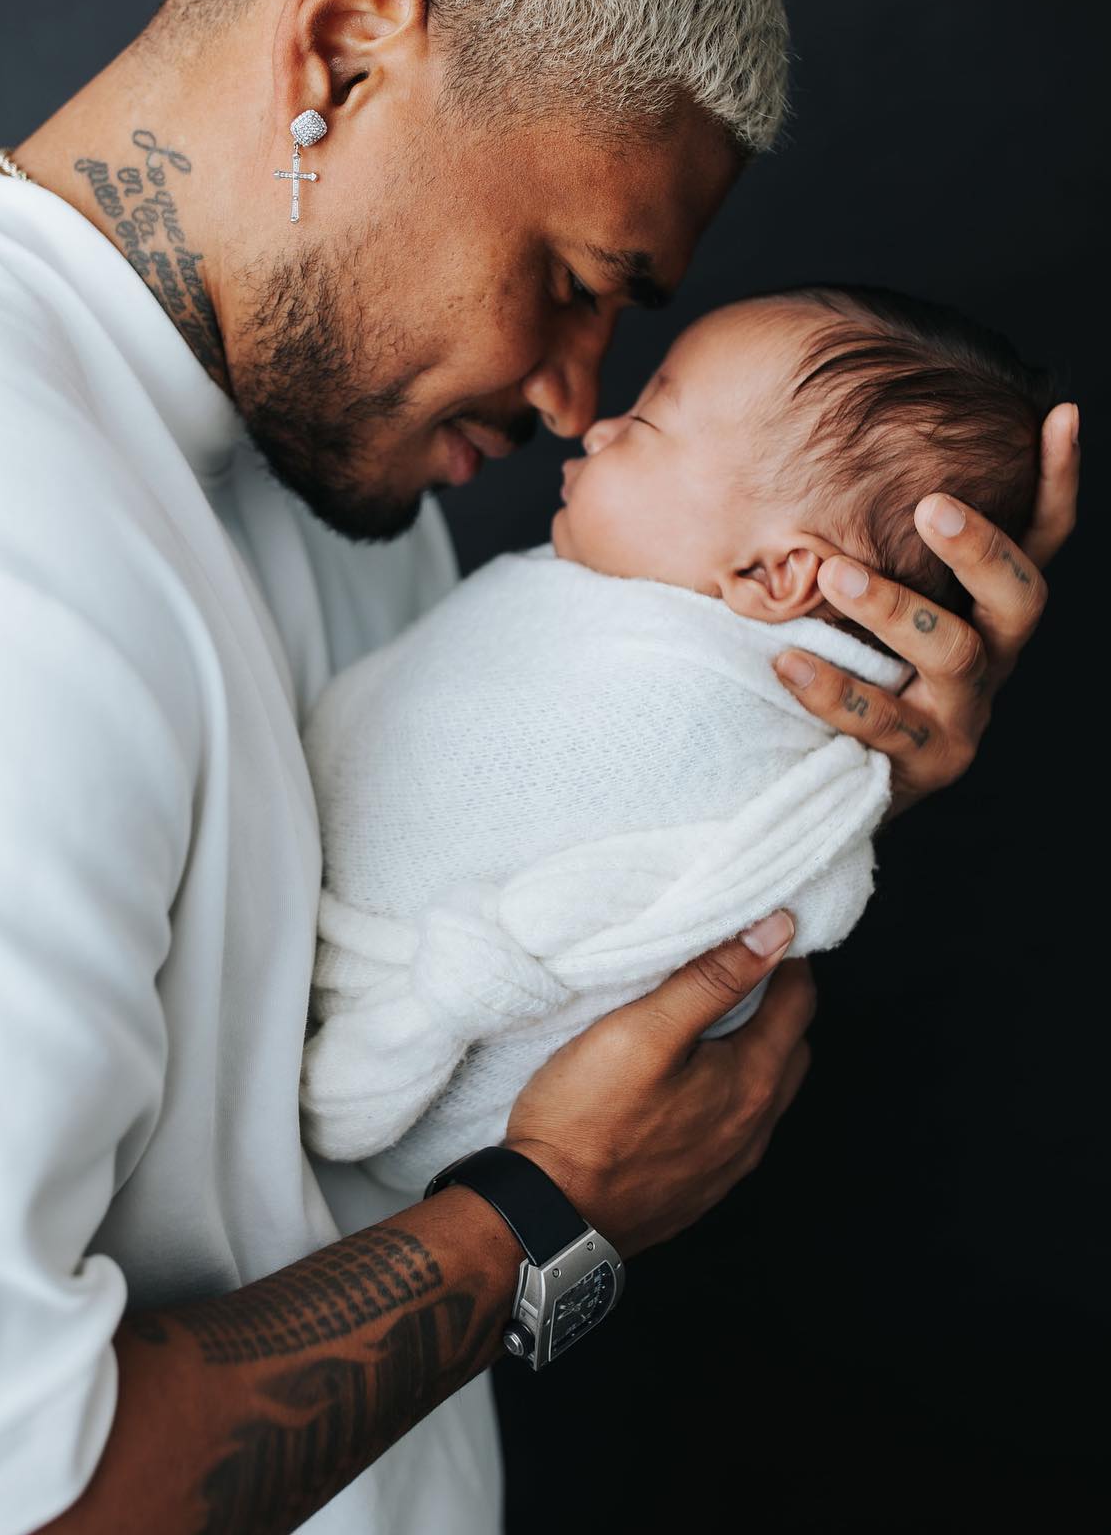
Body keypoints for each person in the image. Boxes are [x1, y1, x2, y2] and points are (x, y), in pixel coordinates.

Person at [0, 0, 1076, 1533]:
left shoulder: (342, 472)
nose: (583, 400)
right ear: (347, 44)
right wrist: (544, 1219)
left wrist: (804, 744)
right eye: (574, 287)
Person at [299, 283, 1057, 1192]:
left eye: (646, 424)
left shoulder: (730, 707)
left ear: (776, 574)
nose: (595, 428)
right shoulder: (590, 605)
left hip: (461, 1095)